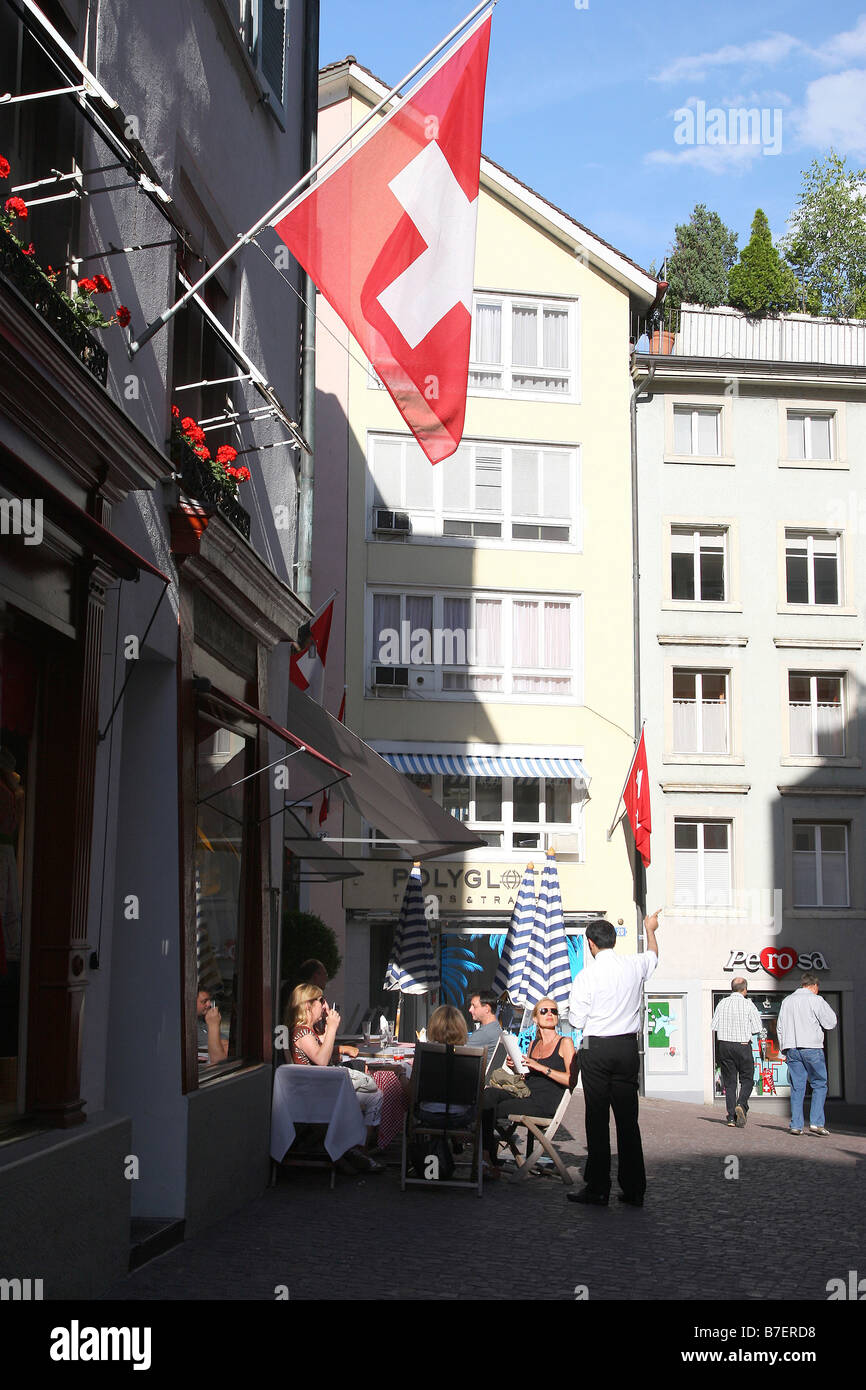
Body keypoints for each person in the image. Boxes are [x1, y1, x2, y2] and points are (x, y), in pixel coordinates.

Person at [566, 911, 660, 1208]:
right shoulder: (633, 965)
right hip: (627, 1048)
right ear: (614, 940)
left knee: (597, 1118)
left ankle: (597, 1188)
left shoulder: (587, 975)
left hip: (597, 1046)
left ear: (591, 944)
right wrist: (650, 928)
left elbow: (577, 1019)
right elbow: (653, 955)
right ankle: (634, 1189)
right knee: (628, 1120)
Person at [286, 983, 384, 1168]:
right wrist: (331, 1028)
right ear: (308, 1005)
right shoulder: (302, 1032)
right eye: (321, 1000)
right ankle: (352, 1151)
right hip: (317, 1095)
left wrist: (328, 1029)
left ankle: (355, 1150)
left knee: (374, 1094)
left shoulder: (307, 1031)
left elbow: (324, 1047)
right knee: (373, 1092)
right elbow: (322, 1060)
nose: (324, 1005)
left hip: (321, 1090)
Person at [480, 997, 576, 1178]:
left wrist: (541, 1067)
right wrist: (517, 1066)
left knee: (491, 1109)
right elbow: (528, 1078)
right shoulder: (533, 1045)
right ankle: (487, 1157)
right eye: (544, 1011)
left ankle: (487, 1160)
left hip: (544, 1104)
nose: (550, 1014)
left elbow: (571, 1080)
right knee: (489, 1095)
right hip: (526, 1096)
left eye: (553, 1011)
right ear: (535, 1019)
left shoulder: (565, 1043)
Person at [777, 973, 837, 1136]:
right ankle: (816, 1123)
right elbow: (830, 1022)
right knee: (819, 1083)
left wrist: (784, 1050)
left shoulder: (787, 1001)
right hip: (812, 1047)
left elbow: (780, 1027)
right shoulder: (816, 1000)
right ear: (814, 986)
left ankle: (796, 1125)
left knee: (797, 1087)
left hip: (792, 1048)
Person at [711, 978, 765, 1128]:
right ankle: (741, 1104)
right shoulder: (748, 1004)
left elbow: (714, 1025)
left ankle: (731, 1118)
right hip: (742, 1045)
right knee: (747, 1079)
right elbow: (756, 1028)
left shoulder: (722, 1003)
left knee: (729, 1083)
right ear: (745, 990)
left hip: (725, 1045)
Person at [196, 983, 228, 1064]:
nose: (209, 1004)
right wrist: (213, 1025)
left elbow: (226, 1044)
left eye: (209, 1000)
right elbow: (218, 1060)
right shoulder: (188, 1028)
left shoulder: (201, 1022)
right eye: (204, 1001)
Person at [468, 988, 503, 1060]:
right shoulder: (495, 1027)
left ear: (487, 1008)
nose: (470, 1009)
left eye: (474, 1006)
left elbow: (459, 1052)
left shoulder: (485, 1033)